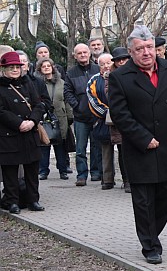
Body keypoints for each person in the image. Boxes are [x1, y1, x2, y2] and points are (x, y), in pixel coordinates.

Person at [108, 25, 167, 264]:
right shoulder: (119, 77)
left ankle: (152, 232)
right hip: (141, 148)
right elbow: (120, 114)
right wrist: (143, 138)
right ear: (131, 52)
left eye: (149, 47)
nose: (146, 53)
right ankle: (150, 245)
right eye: (140, 49)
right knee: (144, 200)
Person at [0, 52, 46, 214]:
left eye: (17, 67)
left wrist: (32, 121)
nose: (15, 70)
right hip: (9, 135)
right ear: (4, 69)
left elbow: (38, 105)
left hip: (29, 133)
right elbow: (1, 111)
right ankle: (12, 201)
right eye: (11, 67)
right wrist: (19, 123)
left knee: (32, 170)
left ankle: (33, 199)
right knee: (10, 171)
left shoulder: (28, 83)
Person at [64, 43, 102, 186]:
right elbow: (67, 92)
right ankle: (81, 175)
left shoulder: (97, 69)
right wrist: (77, 106)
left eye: (85, 52)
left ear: (89, 53)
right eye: (79, 53)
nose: (83, 55)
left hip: (97, 115)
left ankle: (96, 173)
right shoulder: (71, 73)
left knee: (96, 146)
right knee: (80, 148)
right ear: (75, 55)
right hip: (81, 117)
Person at [34, 58, 70, 181]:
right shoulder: (37, 83)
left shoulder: (61, 82)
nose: (46, 68)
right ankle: (43, 170)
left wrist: (70, 116)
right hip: (44, 117)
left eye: (48, 66)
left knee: (60, 146)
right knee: (45, 144)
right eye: (43, 66)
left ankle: (63, 170)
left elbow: (67, 100)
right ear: (40, 69)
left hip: (60, 117)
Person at [86, 53, 117, 190]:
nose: (106, 66)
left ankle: (127, 180)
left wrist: (119, 112)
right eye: (103, 64)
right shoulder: (94, 80)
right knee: (105, 151)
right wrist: (108, 113)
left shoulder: (119, 77)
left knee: (123, 150)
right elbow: (92, 101)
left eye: (109, 63)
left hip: (121, 119)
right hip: (102, 120)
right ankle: (107, 180)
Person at [108, 47, 131, 193]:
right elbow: (109, 95)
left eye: (124, 59)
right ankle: (126, 180)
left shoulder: (135, 72)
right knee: (123, 150)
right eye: (118, 60)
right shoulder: (111, 76)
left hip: (137, 117)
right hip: (120, 118)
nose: (122, 62)